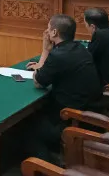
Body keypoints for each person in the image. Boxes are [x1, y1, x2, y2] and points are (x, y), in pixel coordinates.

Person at [25, 14, 101, 163]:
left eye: (48, 28)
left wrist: (45, 50)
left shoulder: (58, 55)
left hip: (70, 120)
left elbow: (38, 82)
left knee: (25, 126)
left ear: (54, 33)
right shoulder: (81, 48)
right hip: (91, 113)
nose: (46, 32)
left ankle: (47, 167)